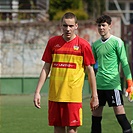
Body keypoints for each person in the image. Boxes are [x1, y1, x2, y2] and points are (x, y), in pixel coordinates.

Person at [33, 12, 99, 133]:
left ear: (76, 26)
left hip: (73, 96)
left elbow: (90, 71)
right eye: (65, 25)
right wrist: (37, 92)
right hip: (55, 95)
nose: (68, 29)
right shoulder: (52, 43)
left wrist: (94, 95)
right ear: (61, 26)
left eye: (71, 26)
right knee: (58, 129)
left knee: (72, 131)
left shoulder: (83, 45)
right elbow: (46, 67)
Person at [91, 14, 133, 133]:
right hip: (99, 85)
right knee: (95, 118)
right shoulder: (95, 45)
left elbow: (124, 63)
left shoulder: (117, 42)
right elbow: (91, 65)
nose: (101, 28)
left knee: (120, 116)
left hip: (113, 85)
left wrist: (130, 83)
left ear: (110, 26)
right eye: (99, 25)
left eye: (103, 25)